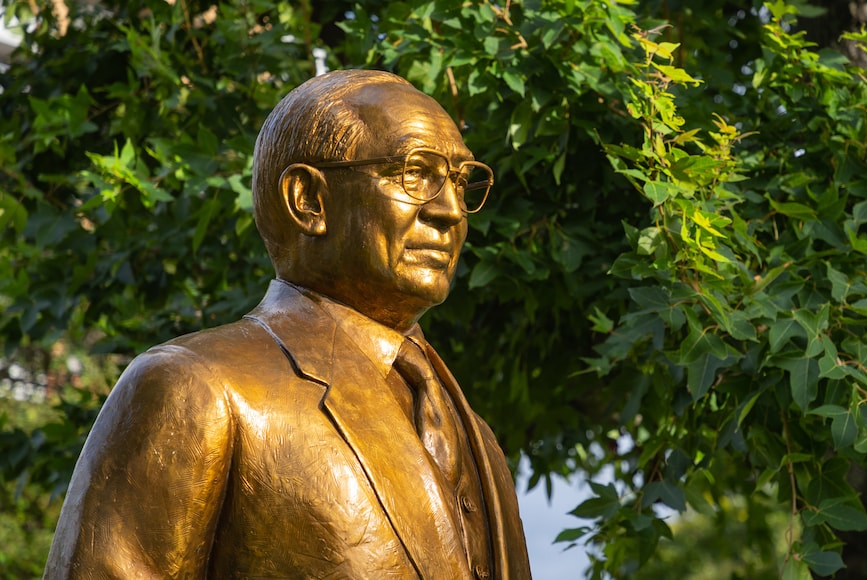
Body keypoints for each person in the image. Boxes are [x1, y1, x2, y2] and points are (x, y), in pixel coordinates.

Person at [45, 69, 532, 579]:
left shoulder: (478, 439)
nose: (451, 211)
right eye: (414, 172)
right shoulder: (198, 387)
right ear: (308, 200)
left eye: (459, 179)